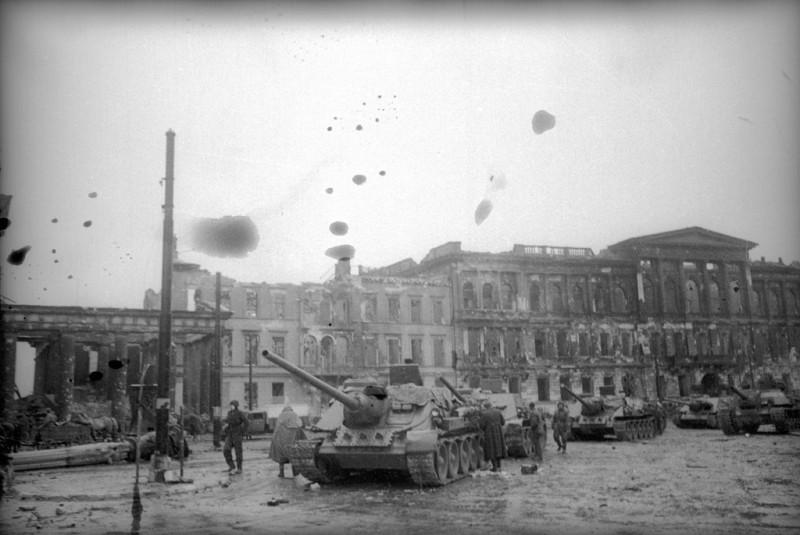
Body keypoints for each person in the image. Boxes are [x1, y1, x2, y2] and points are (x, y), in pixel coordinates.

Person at [269, 406, 305, 478]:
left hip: (282, 440)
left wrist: (274, 439)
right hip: (293, 439)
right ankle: (295, 473)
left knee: (281, 458)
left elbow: (277, 427)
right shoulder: (294, 414)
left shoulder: (281, 415)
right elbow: (300, 425)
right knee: (293, 455)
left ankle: (281, 473)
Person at [478, 400, 506, 472]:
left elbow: (481, 425)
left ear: (485, 407)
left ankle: (494, 467)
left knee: (491, 449)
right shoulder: (498, 411)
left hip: (489, 433)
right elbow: (503, 422)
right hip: (498, 432)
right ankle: (499, 467)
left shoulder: (485, 414)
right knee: (499, 448)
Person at [222, 400, 247, 474]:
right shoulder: (229, 413)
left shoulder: (240, 413)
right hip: (229, 434)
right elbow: (228, 421)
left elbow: (246, 422)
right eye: (230, 405)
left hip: (237, 434)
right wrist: (225, 423)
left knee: (238, 452)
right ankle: (231, 466)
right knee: (226, 449)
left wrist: (243, 432)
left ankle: (239, 468)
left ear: (236, 406)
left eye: (232, 405)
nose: (231, 406)